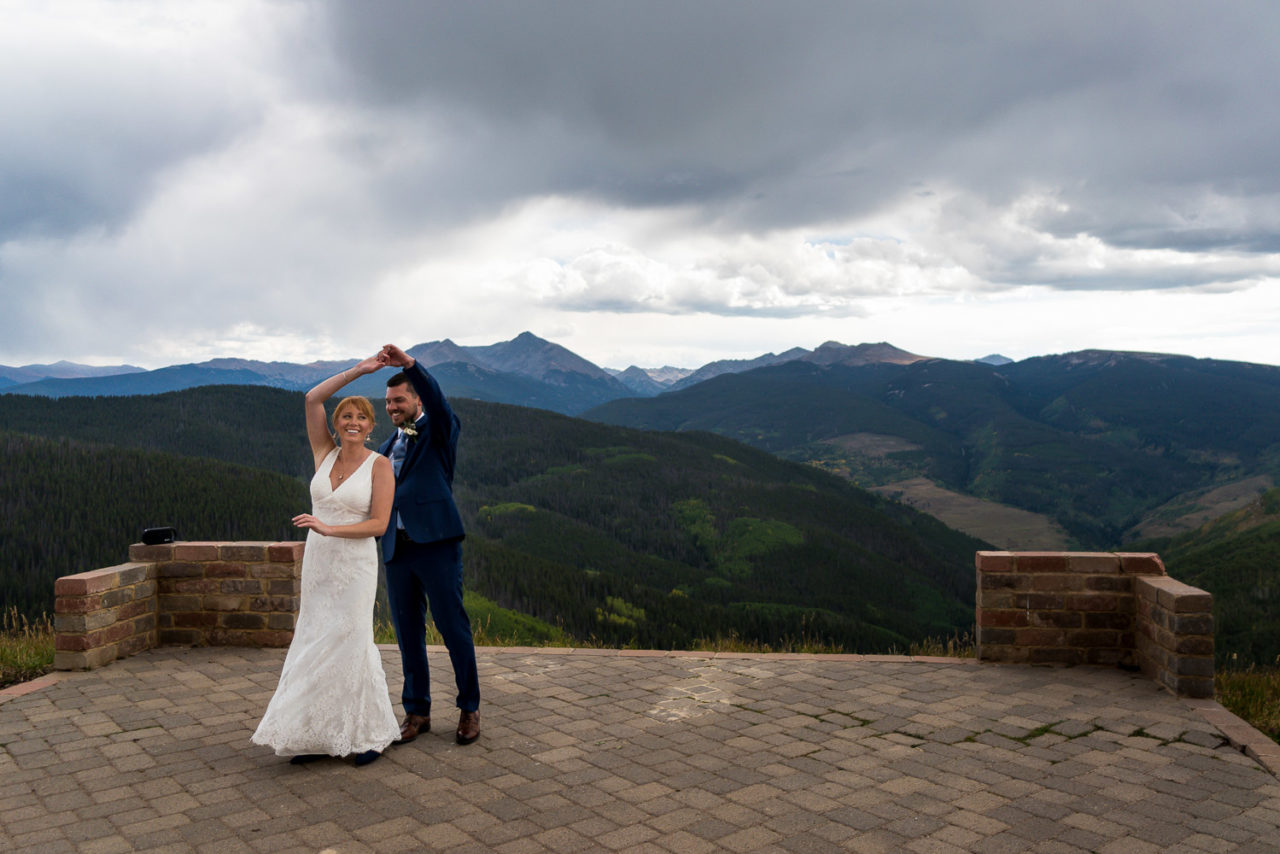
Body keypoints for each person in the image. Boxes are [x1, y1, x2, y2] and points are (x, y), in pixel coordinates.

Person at [251, 354, 401, 766]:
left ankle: (368, 735)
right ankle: (314, 734)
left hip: (353, 565)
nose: (353, 422)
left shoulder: (380, 466)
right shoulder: (324, 453)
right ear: (336, 424)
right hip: (319, 564)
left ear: (372, 427)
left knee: (351, 642)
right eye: (346, 416)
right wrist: (362, 370)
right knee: (315, 641)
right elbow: (311, 398)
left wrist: (331, 529)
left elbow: (379, 524)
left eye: (361, 417)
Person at [377, 343, 480, 746]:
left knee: (452, 626)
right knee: (407, 631)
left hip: (435, 543)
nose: (391, 407)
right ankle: (416, 712)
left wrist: (409, 365)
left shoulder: (437, 431)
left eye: (399, 399)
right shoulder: (387, 445)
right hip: (396, 548)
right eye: (387, 401)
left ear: (416, 399)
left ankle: (469, 708)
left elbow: (438, 402)